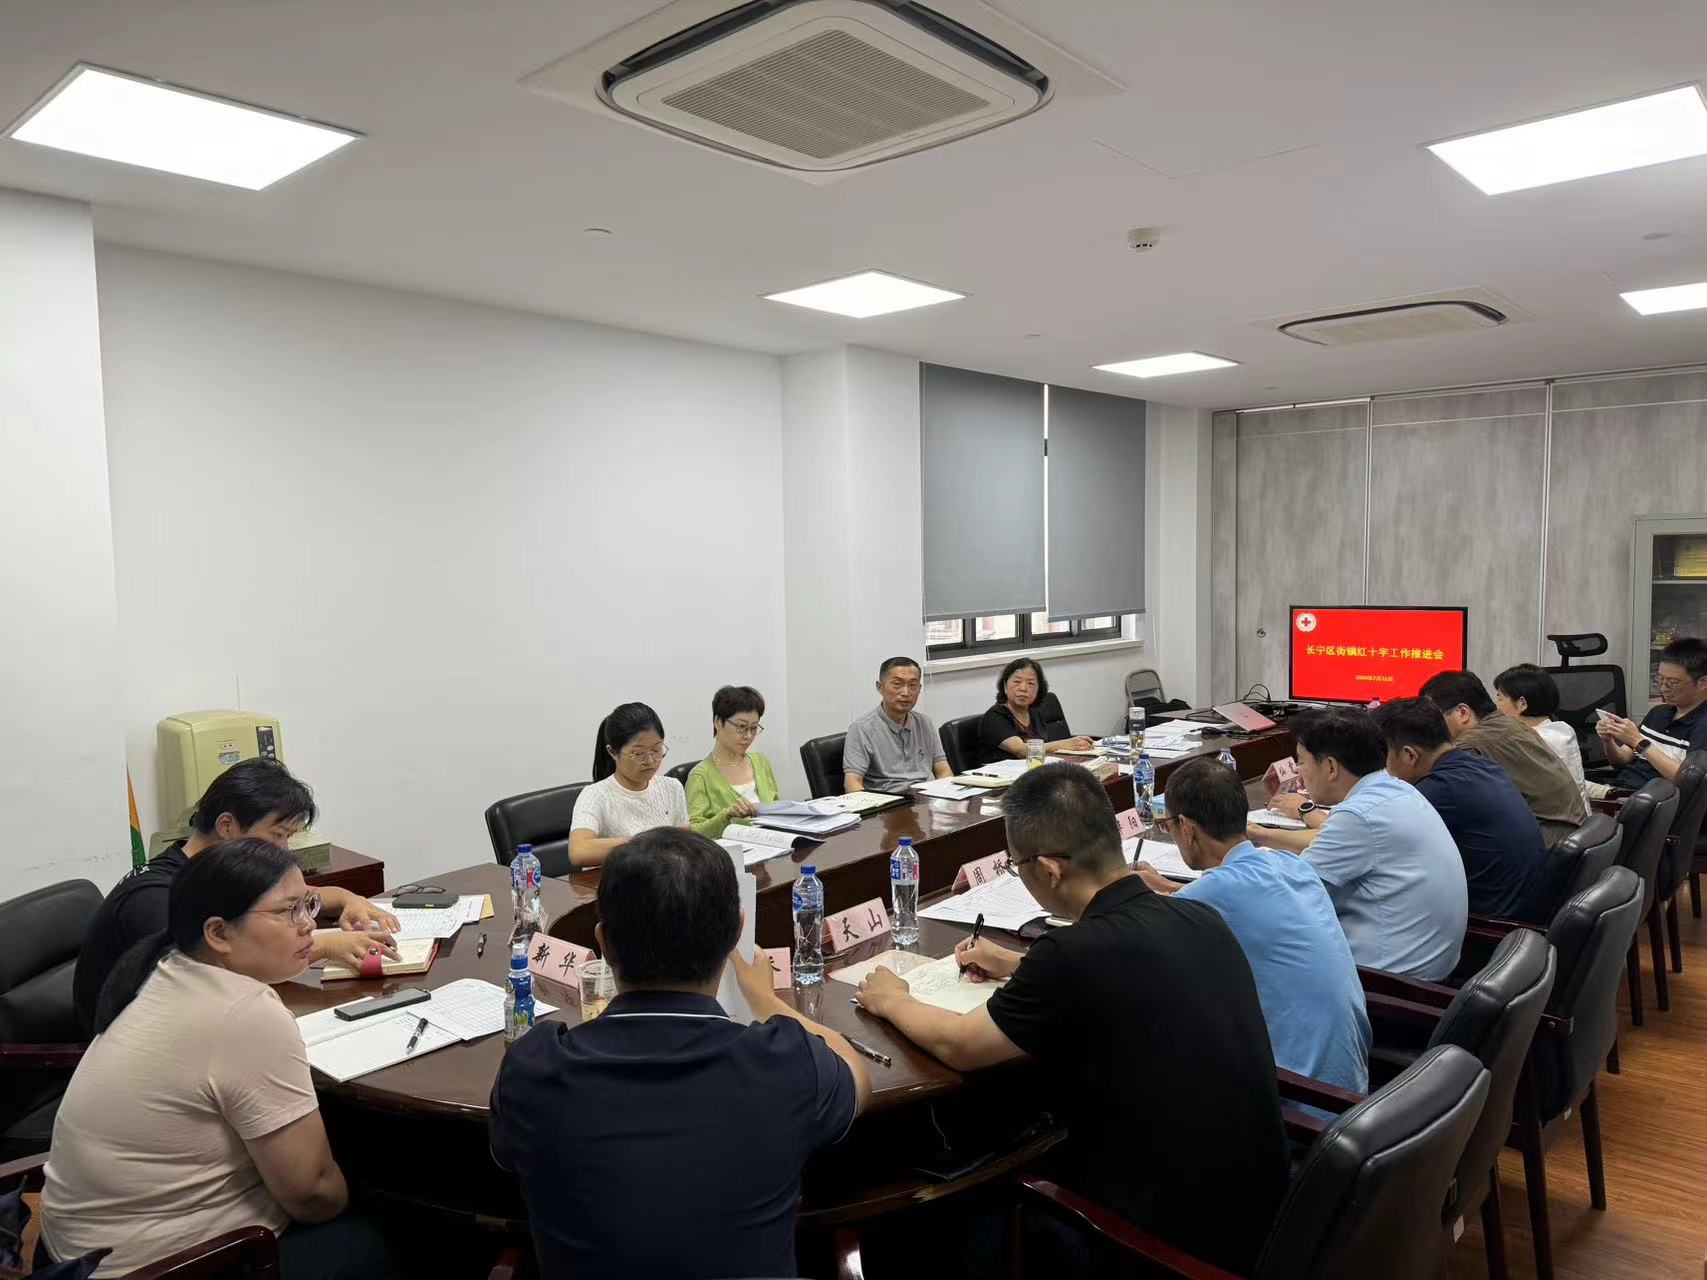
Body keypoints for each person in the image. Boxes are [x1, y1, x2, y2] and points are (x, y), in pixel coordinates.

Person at [852, 766, 1287, 1275]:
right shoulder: (1200, 918)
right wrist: (1018, 963)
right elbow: (1117, 970)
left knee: (947, 1226)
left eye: (1016, 866)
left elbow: (958, 1045)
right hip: (1266, 1219)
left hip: (1160, 1247)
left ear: (1049, 869)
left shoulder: (1072, 954)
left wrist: (892, 998)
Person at [490, 829, 869, 1280]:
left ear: (603, 943)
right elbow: (855, 1071)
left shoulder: (534, 1068)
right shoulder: (787, 1061)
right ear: (736, 933)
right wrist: (768, 1001)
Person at [42, 841, 399, 1279]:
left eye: (308, 904)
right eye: (289, 911)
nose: (309, 924)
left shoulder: (164, 969)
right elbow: (312, 1196)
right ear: (218, 933)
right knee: (392, 1229)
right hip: (156, 1267)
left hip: (73, 1249)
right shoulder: (243, 1013)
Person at [73, 758, 398, 1037]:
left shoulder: (209, 874)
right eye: (277, 835)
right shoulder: (155, 897)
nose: (283, 849)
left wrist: (347, 898)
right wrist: (325, 946)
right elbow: (208, 975)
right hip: (146, 1046)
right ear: (227, 826)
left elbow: (295, 898)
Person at [1135, 759, 1371, 1094]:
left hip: (1303, 1099)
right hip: (1352, 1083)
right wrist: (1170, 887)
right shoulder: (1290, 864)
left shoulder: (1205, 897)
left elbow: (1137, 954)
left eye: (1168, 825)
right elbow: (1232, 896)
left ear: (1186, 827)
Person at [1253, 708, 1466, 980]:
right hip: (1429, 965)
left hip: (1386, 983)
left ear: (1331, 767)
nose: (1299, 773)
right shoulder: (1399, 790)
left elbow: (1287, 896)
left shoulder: (1359, 816)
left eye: (1301, 762)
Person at [1374, 698, 1548, 922]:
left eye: (1384, 759)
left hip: (1489, 927)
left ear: (1409, 755)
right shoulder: (1482, 766)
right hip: (1522, 914)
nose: (1384, 769)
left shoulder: (1438, 790)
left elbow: (1372, 838)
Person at [1419, 670, 1588, 843]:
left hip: (1546, 841)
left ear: (1463, 712)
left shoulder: (1471, 743)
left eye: (1435, 717)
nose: (1431, 726)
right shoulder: (1511, 724)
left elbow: (1424, 799)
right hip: (1573, 835)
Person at [569, 702, 690, 868]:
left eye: (657, 750)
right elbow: (579, 851)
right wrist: (647, 843)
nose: (650, 761)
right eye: (638, 753)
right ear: (612, 752)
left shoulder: (672, 787)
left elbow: (684, 843)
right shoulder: (596, 795)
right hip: (618, 880)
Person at [1597, 637, 1707, 788]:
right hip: (1620, 790)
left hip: (1656, 799)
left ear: (1702, 683)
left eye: (1673, 683)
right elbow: (1621, 762)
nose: (1663, 688)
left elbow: (1690, 781)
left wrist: (1639, 742)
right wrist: (1608, 741)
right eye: (1660, 679)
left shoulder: (1702, 726)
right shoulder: (1658, 713)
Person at [843, 656, 953, 793]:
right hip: (889, 801)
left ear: (919, 688)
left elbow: (943, 771)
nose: (906, 693)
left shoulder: (925, 723)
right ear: (880, 687)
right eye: (897, 684)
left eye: (912, 685)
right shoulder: (861, 729)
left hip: (927, 798)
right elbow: (852, 784)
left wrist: (948, 796)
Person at [686, 685, 780, 839]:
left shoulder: (760, 761)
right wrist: (726, 816)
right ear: (718, 722)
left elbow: (777, 808)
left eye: (754, 728)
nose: (748, 736)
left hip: (773, 844)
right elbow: (694, 833)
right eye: (741, 727)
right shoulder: (700, 776)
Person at [975, 657, 1094, 766]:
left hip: (1033, 771)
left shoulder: (1034, 712)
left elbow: (1043, 748)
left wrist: (1076, 745)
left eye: (1030, 683)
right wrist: (1064, 744)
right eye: (1016, 682)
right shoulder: (995, 717)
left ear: (1038, 689)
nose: (1023, 688)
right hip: (1002, 778)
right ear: (1005, 686)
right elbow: (1021, 751)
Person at [1494, 662, 1585, 787]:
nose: (1498, 708)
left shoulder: (1529, 742)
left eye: (1500, 699)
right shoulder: (1563, 729)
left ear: (1522, 704)